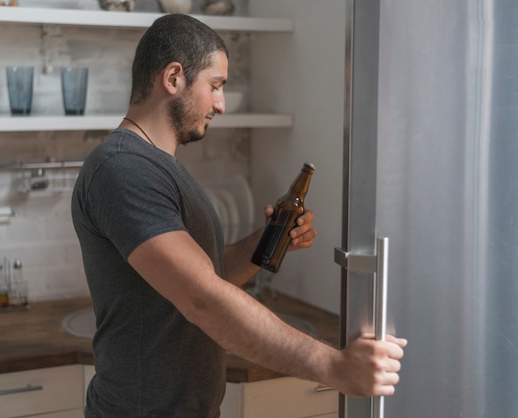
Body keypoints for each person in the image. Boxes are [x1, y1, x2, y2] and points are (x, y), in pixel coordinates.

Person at [71, 13, 406, 418]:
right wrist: (334, 366)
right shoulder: (122, 168)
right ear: (174, 78)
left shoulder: (159, 167)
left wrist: (266, 240)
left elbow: (205, 275)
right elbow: (201, 298)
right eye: (215, 86)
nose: (221, 104)